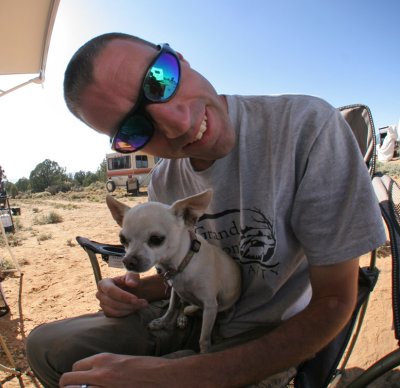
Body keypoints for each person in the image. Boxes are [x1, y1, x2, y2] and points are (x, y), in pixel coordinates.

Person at [26, 33, 386, 388]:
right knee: (45, 346)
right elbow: (186, 272)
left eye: (159, 81)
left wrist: (186, 374)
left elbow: (336, 300)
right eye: (134, 130)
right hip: (192, 312)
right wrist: (134, 289)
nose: (178, 124)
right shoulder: (163, 183)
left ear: (179, 59)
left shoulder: (307, 128)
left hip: (272, 333)